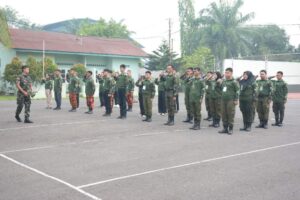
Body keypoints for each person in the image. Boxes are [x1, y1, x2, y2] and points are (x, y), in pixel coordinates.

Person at [218, 68, 239, 135]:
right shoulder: (224, 81)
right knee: (223, 114)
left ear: (231, 73)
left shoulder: (234, 82)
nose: (226, 74)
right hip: (223, 100)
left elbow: (238, 91)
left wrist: (236, 99)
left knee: (230, 114)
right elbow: (221, 89)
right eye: (225, 72)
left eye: (228, 73)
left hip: (231, 100)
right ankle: (225, 128)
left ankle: (230, 129)